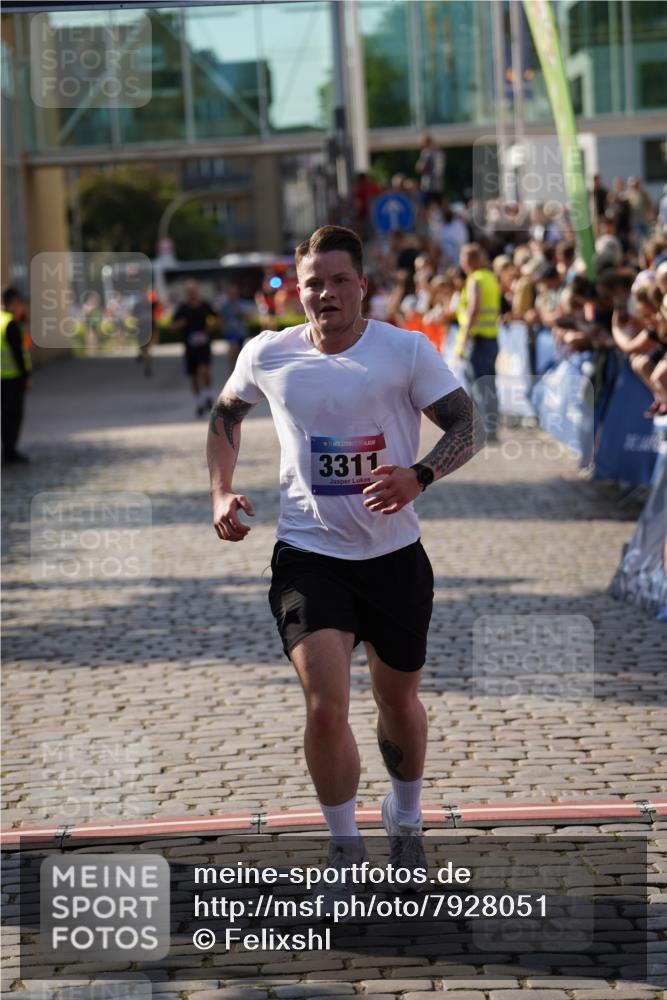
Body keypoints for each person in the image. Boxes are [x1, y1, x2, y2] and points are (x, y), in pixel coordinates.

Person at [206, 225, 482, 894]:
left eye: (337, 281)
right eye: (313, 283)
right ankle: (344, 846)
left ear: (361, 285)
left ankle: (406, 820)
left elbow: (468, 425)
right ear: (297, 291)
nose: (325, 293)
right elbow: (226, 415)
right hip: (309, 555)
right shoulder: (268, 353)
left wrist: (419, 475)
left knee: (397, 700)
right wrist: (220, 490)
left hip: (393, 556)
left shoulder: (404, 351)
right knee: (326, 706)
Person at [455, 243, 502, 441]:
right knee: (489, 385)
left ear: (468, 261)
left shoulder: (474, 280)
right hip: (492, 338)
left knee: (478, 386)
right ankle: (491, 428)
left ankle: (482, 429)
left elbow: (473, 309)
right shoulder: (490, 277)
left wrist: (464, 339)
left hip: (478, 339)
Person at [173, 280, 218, 417]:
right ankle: (199, 402)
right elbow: (172, 326)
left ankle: (208, 395)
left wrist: (210, 327)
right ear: (186, 293)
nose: (192, 293)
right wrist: (179, 324)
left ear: (197, 291)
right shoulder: (183, 308)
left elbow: (216, 319)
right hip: (190, 347)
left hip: (204, 345)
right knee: (193, 376)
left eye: (193, 290)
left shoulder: (205, 306)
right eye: (189, 291)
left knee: (204, 371)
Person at [1, 287, 32, 465]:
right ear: (13, 302)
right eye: (19, 302)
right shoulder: (10, 323)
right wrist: (26, 377)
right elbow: (19, 353)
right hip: (11, 378)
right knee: (12, 416)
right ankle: (10, 452)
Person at [415, 134, 445, 207]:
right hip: (438, 185)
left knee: (424, 207)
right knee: (440, 207)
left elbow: (420, 168)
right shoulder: (439, 153)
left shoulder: (426, 153)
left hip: (428, 186)